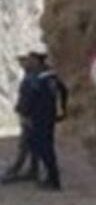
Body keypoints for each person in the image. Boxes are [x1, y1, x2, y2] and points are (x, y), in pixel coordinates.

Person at [1, 52, 41, 184]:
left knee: (25, 143)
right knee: (33, 144)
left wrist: (24, 113)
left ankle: (17, 170)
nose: (22, 64)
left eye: (24, 61)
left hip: (30, 116)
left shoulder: (32, 78)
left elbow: (29, 98)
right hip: (33, 115)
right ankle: (32, 170)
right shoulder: (32, 76)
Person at [28, 51, 66, 191]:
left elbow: (32, 98)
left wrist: (26, 113)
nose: (30, 62)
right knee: (45, 146)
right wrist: (62, 109)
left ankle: (53, 179)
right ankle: (51, 177)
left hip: (40, 116)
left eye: (32, 59)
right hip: (49, 116)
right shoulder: (53, 77)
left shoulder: (40, 78)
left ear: (38, 61)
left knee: (42, 146)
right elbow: (64, 91)